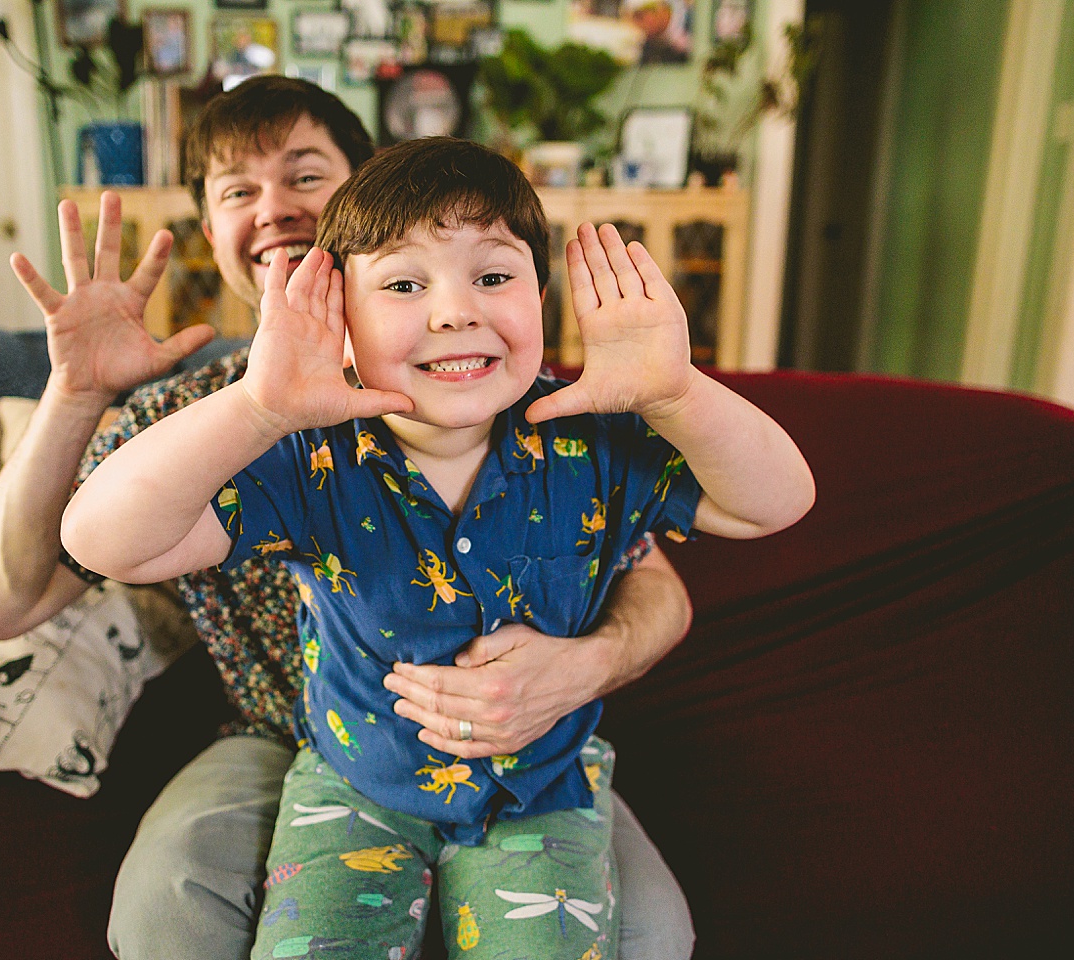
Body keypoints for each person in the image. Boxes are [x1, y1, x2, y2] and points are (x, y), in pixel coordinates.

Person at [0, 77, 697, 959]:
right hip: (287, 733)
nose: (273, 209)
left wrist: (578, 671)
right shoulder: (189, 417)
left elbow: (658, 584)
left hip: (524, 736)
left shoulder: (485, 384)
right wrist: (78, 393)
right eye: (237, 191)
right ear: (210, 229)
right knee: (166, 915)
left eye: (306, 177)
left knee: (649, 937)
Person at [60, 137, 815, 958]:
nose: (456, 311)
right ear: (339, 319)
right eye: (404, 284)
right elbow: (103, 541)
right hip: (355, 786)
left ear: (541, 297)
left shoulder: (599, 437)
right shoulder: (311, 455)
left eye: (493, 277)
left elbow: (774, 504)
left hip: (543, 789)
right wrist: (259, 408)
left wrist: (677, 390)